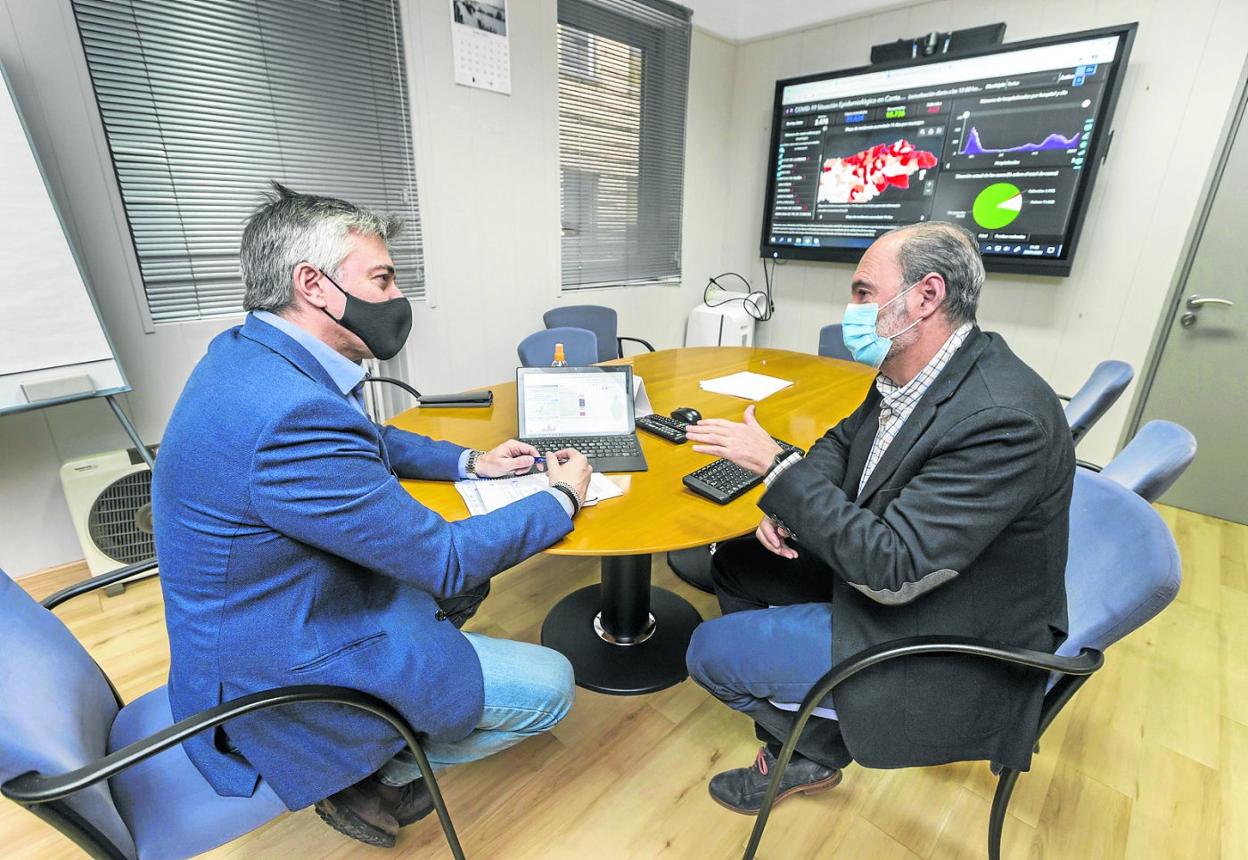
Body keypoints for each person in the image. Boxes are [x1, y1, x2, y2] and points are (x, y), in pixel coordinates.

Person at [152, 183, 591, 848]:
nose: (396, 297)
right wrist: (559, 497)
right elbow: (442, 556)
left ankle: (379, 740)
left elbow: (362, 437)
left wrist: (472, 463)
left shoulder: (252, 357)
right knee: (551, 687)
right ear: (315, 285)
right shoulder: (289, 416)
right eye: (382, 278)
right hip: (279, 665)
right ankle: (359, 766)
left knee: (469, 585)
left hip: (265, 610)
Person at [683, 221, 1074, 815]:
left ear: (926, 296)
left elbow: (893, 570)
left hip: (943, 622)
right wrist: (790, 500)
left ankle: (807, 746)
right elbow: (844, 442)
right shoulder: (912, 370)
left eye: (865, 293)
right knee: (737, 563)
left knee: (708, 654)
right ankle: (808, 725)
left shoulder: (1004, 417)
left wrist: (778, 473)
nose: (852, 309)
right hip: (906, 567)